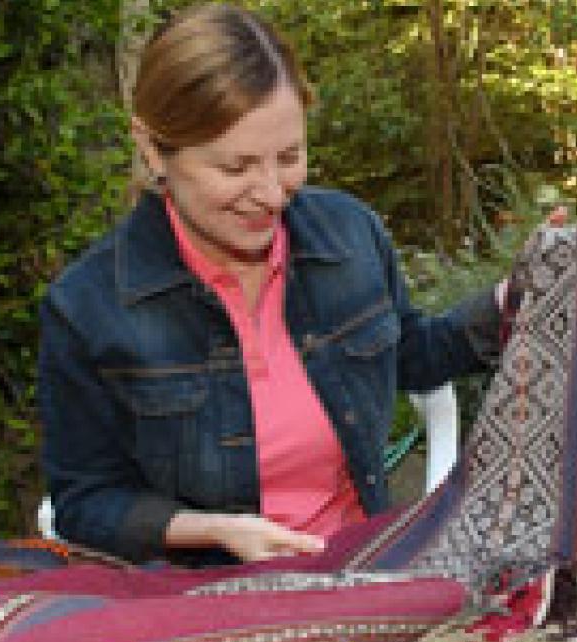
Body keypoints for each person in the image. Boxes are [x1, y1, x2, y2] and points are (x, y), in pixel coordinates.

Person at [38, 4, 505, 566]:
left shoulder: (349, 234)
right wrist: (211, 530)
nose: (270, 192)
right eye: (235, 169)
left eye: (289, 157)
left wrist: (512, 302)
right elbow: (85, 502)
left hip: (362, 571)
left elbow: (411, 357)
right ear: (153, 148)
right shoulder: (88, 307)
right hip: (206, 605)